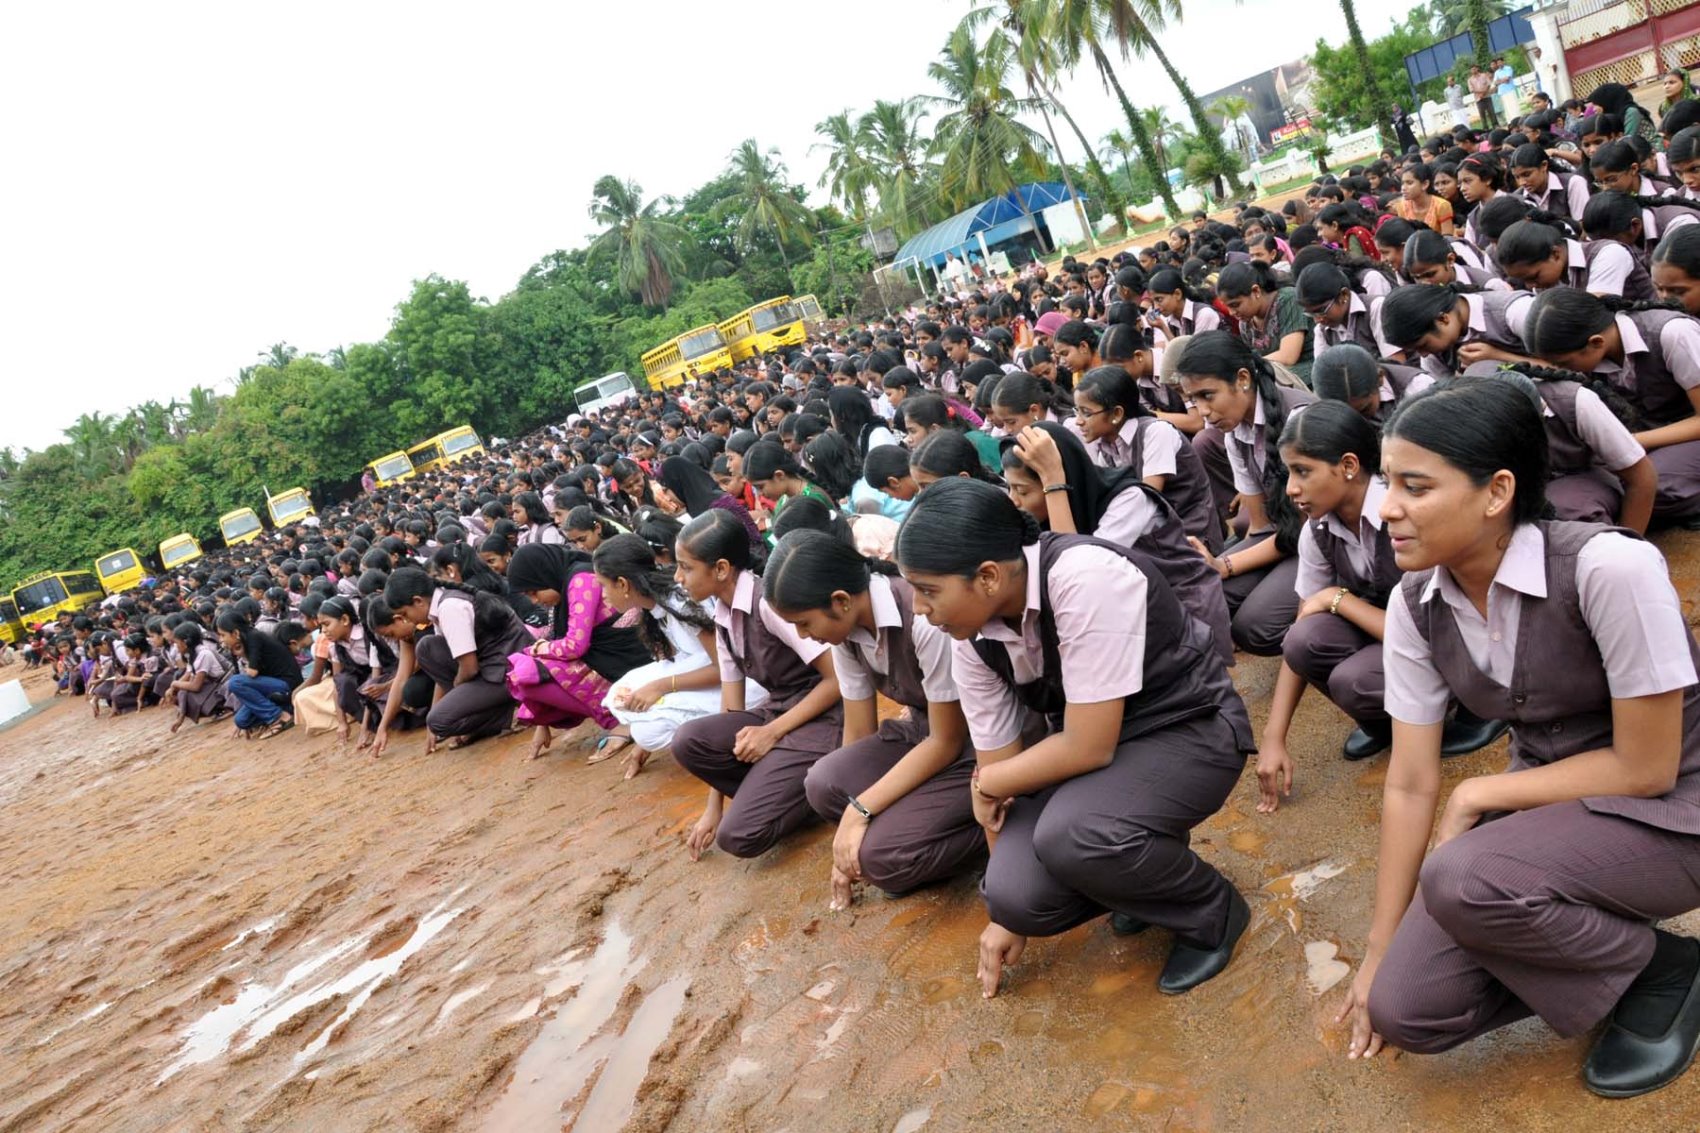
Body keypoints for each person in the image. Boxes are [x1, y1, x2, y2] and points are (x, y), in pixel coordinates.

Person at [1341, 377, 1700, 1101]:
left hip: (1678, 802)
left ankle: (1665, 968)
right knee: (1408, 1007)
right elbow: (1410, 782)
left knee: (1465, 878)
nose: (1388, 509)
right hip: (1552, 811)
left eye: (1415, 486)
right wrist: (1377, 949)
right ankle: (1607, 952)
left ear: (1497, 491)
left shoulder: (1608, 567)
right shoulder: (1418, 601)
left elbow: (1647, 764)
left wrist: (1480, 788)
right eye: (1387, 482)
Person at [893, 478, 1256, 997]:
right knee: (1015, 893)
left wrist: (988, 781)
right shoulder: (973, 641)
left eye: (929, 591)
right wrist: (1006, 911)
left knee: (1075, 835)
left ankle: (1212, 913)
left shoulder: (1085, 577)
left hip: (1186, 726)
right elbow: (1001, 781)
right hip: (1100, 755)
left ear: (989, 576)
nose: (920, 610)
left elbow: (1086, 746)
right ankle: (1137, 888)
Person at [763, 530, 983, 908]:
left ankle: (993, 836)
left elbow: (946, 741)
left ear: (841, 601)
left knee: (882, 860)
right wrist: (847, 824)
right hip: (921, 732)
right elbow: (859, 732)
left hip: (972, 744)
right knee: (823, 782)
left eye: (804, 623)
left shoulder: (921, 620)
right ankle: (908, 828)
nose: (804, 636)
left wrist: (860, 809)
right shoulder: (846, 633)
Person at [670, 509, 844, 861]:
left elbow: (838, 679)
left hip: (825, 719)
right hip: (779, 711)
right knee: (688, 740)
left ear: (721, 569)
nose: (678, 577)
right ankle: (778, 788)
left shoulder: (767, 603)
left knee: (738, 837)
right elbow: (731, 710)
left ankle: (806, 794)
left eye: (686, 567)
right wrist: (713, 806)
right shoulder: (722, 614)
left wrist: (773, 733)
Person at [1175, 332, 1315, 656]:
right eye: (1194, 399)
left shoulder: (1300, 420)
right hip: (1286, 538)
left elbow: (1304, 532)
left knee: (1255, 628)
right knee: (1203, 595)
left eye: (1208, 395)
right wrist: (1217, 567)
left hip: (1322, 541)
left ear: (1242, 379)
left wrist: (1226, 565)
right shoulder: (1234, 432)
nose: (1203, 411)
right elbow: (1261, 525)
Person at [1523, 289, 1700, 526]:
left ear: (1595, 343)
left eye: (1563, 363)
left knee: (1651, 487)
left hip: (1689, 431)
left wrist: (1635, 441)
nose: (1557, 369)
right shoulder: (1600, 349)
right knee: (1614, 481)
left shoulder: (1673, 334)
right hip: (1658, 433)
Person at [503, 542, 649, 760]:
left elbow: (575, 645)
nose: (535, 601)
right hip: (607, 654)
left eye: (535, 592)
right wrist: (542, 720)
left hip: (627, 654)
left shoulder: (580, 579)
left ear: (545, 574)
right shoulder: (564, 582)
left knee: (528, 672)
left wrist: (542, 648)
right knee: (526, 669)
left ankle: (619, 721)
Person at [379, 566, 533, 754]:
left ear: (418, 601)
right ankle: (490, 711)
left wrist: (456, 694)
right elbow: (445, 669)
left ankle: (500, 715)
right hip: (493, 666)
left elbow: (469, 669)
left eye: (404, 614)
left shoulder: (449, 608)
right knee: (427, 648)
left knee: (438, 721)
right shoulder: (441, 605)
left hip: (510, 671)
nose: (408, 620)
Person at [216, 609, 302, 739]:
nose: (221, 639)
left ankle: (279, 717)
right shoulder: (244, 641)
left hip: (286, 684)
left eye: (223, 635)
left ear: (235, 633)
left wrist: (242, 654)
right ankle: (286, 711)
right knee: (241, 720)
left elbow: (252, 673)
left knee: (235, 682)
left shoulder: (254, 637)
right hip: (272, 688)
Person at [1469, 64, 1499, 129]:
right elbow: (1472, 90)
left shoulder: (1484, 75)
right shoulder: (1470, 80)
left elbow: (1488, 84)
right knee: (1482, 114)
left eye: (1474, 69)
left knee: (1491, 111)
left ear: (1477, 69)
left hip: (1487, 97)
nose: (1473, 70)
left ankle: (1495, 125)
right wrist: (1481, 93)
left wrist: (1484, 93)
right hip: (1478, 99)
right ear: (1470, 71)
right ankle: (1485, 128)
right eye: (1472, 69)